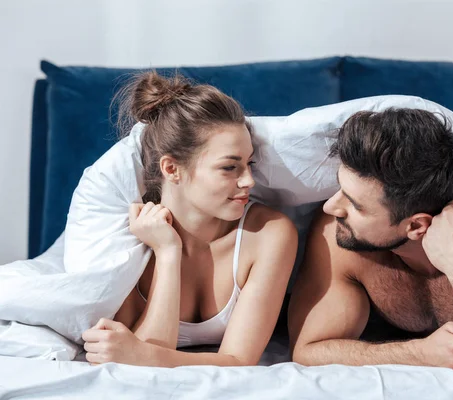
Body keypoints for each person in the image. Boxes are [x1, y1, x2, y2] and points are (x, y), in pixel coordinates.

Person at [288, 108, 453, 375]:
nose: (331, 207)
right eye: (339, 189)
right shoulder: (339, 235)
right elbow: (308, 351)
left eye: (355, 205)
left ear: (416, 225)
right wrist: (420, 353)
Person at [82, 71, 298, 367]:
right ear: (172, 169)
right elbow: (141, 355)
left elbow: (238, 360)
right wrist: (168, 253)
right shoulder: (128, 235)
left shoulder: (269, 233)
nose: (249, 180)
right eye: (229, 167)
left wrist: (142, 355)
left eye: (250, 164)